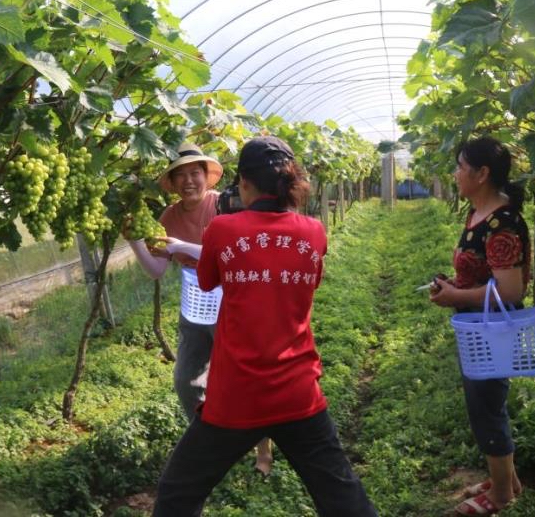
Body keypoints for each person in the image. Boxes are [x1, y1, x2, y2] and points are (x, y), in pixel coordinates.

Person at [151, 136, 377, 517]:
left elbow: (206, 281)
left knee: (178, 493)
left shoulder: (222, 230)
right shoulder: (314, 232)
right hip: (298, 392)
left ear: (243, 183)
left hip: (235, 396)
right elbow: (310, 282)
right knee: (341, 495)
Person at [124, 142, 273, 474]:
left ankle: (263, 449)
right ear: (173, 183)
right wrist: (133, 240)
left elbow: (238, 253)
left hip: (233, 302)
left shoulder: (225, 205)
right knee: (187, 380)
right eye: (181, 176)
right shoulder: (169, 217)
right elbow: (157, 270)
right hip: (196, 305)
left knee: (243, 378)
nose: (189, 181)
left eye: (195, 173)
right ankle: (213, 440)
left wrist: (185, 246)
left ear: (207, 177)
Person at [429, 136, 530, 517]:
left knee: (487, 408)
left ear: (482, 173)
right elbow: (480, 275)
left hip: (492, 329)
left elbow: (509, 290)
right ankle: (507, 479)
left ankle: (501, 495)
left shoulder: (502, 222)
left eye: (460, 166)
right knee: (485, 403)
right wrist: (454, 286)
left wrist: (457, 297)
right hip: (477, 325)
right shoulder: (477, 215)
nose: (455, 174)